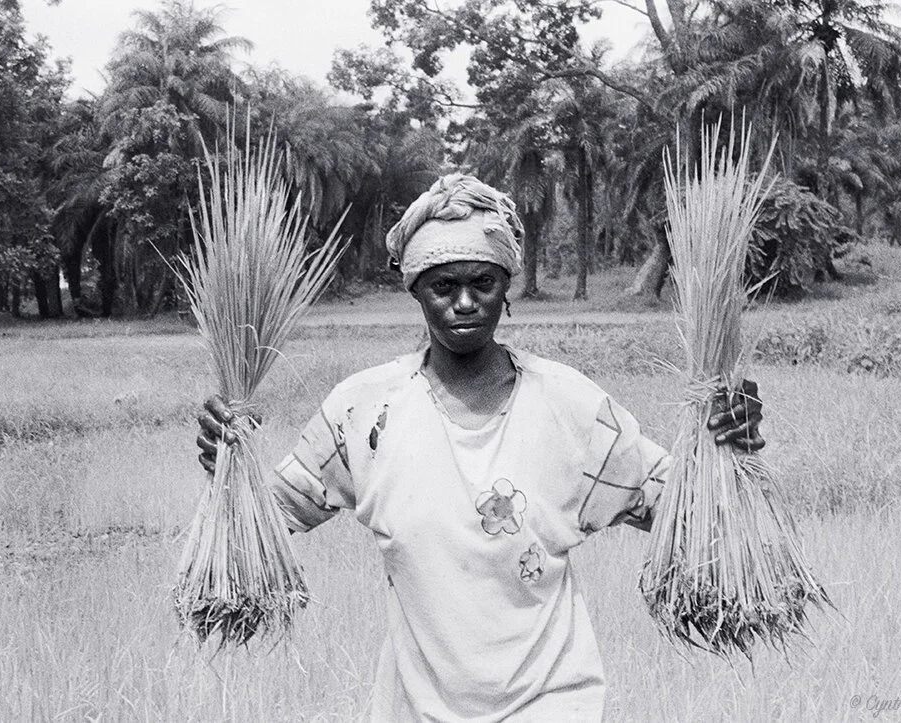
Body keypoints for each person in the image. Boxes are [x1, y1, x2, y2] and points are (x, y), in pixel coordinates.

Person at [196, 174, 764, 722]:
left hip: (552, 700)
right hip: (414, 709)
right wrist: (230, 466)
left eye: (483, 283)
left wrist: (725, 451)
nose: (464, 303)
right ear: (415, 289)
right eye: (443, 286)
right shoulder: (364, 411)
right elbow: (271, 515)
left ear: (507, 286)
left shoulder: (570, 407)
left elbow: (679, 510)